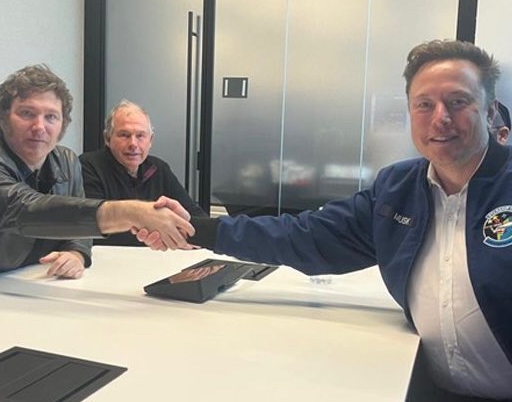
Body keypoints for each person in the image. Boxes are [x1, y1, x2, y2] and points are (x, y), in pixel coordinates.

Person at [137, 39, 512, 401]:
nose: (440, 118)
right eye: (424, 104)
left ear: (490, 111)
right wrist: (195, 229)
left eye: (458, 102)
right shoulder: (398, 190)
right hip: (430, 388)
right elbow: (305, 236)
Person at [0, 64, 194, 279]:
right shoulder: (90, 165)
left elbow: (79, 227)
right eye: (27, 113)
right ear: (4, 118)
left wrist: (76, 254)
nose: (39, 126)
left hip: (34, 281)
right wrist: (134, 213)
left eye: (51, 116)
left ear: (63, 124)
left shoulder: (66, 161)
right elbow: (26, 209)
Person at [79, 99, 206, 246]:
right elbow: (90, 224)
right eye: (124, 135)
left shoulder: (159, 169)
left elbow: (195, 216)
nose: (133, 144)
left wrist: (196, 236)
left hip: (157, 256)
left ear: (150, 140)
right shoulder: (88, 166)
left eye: (140, 136)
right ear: (107, 139)